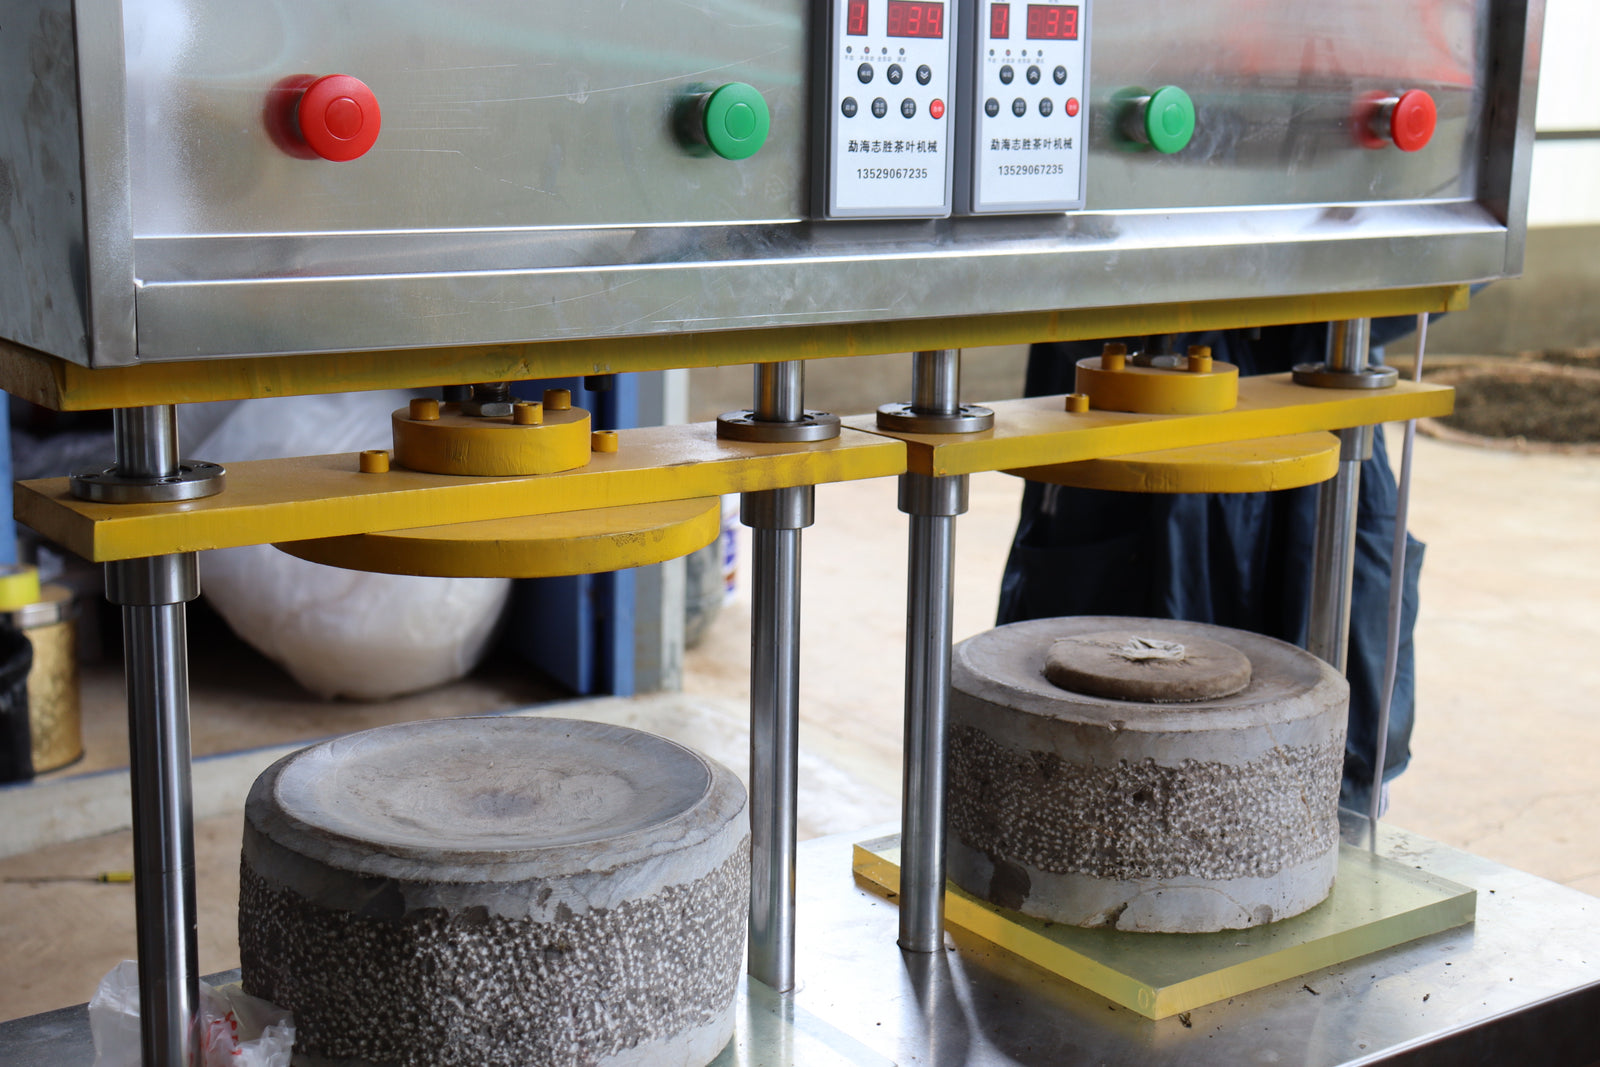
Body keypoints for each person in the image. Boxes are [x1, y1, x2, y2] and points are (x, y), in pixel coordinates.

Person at [998, 321, 1421, 813]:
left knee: (1318, 794)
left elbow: (1459, 263)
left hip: (1327, 378)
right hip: (1126, 401)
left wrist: (1322, 282)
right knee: (1102, 781)